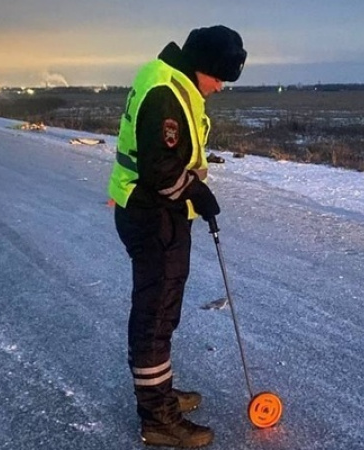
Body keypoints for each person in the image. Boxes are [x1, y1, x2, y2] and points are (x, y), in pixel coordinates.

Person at [107, 25, 247, 448]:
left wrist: (192, 193)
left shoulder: (169, 79)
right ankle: (157, 419)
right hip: (153, 215)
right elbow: (160, 168)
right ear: (202, 65)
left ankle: (159, 394)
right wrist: (197, 192)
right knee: (155, 316)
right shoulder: (167, 91)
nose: (221, 87)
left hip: (158, 212)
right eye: (220, 77)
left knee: (162, 311)